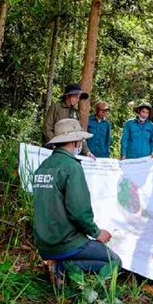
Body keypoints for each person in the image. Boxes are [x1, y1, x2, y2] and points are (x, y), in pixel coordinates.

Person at [33, 119, 121, 287]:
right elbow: (79, 211)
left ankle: (56, 262)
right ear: (75, 141)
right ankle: (63, 267)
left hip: (44, 244)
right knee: (115, 262)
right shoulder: (72, 167)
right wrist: (96, 233)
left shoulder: (43, 166)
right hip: (65, 242)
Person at [42, 83, 94, 157]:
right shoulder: (56, 107)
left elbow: (79, 132)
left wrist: (87, 152)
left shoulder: (75, 112)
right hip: (53, 150)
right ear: (67, 96)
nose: (77, 100)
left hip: (69, 151)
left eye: (79, 97)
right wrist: (53, 145)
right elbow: (47, 128)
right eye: (75, 97)